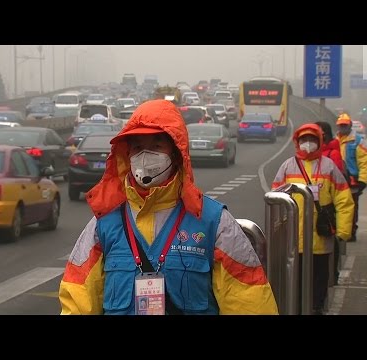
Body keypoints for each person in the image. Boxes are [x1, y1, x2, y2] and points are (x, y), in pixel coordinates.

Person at [58, 99, 278, 315]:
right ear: (127, 154)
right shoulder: (104, 224)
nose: (145, 156)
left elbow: (249, 300)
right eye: (137, 147)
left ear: (176, 152)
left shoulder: (214, 222)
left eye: (156, 145)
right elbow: (77, 299)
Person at [272, 123, 354, 314]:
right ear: (297, 142)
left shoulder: (329, 167)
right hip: (293, 238)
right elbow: (275, 198)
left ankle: (317, 308)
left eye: (312, 139)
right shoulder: (287, 166)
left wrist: (342, 231)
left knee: (319, 279)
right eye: (303, 140)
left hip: (320, 236)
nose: (307, 144)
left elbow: (344, 200)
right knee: (295, 280)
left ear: (320, 141)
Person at [315, 121, 347, 285]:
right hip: (310, 212)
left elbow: (339, 186)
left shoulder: (332, 155)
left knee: (328, 244)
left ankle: (331, 276)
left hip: (326, 210)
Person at [336, 113, 367, 242]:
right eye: (341, 125)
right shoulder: (335, 140)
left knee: (352, 207)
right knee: (339, 206)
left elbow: (364, 161)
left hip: (352, 180)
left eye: (345, 125)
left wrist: (363, 180)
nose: (343, 127)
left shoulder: (357, 141)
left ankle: (351, 232)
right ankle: (341, 230)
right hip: (338, 179)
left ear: (350, 125)